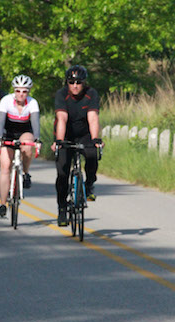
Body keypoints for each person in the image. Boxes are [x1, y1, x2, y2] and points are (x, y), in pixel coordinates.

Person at [52, 65, 103, 227]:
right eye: (71, 82)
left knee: (92, 154)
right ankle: (62, 208)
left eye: (78, 82)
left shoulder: (91, 94)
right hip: (65, 134)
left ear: (84, 83)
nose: (75, 85)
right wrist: (59, 141)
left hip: (84, 134)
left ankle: (89, 184)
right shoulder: (61, 94)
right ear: (67, 83)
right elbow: (62, 118)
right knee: (62, 173)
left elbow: (93, 117)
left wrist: (95, 139)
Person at [0, 74, 41, 218]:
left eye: (24, 91)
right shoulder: (6, 101)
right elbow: (0, 123)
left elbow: (35, 124)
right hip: (8, 133)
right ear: (14, 91)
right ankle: (3, 203)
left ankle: (25, 173)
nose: (21, 94)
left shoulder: (32, 103)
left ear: (28, 92)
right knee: (5, 166)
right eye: (18, 91)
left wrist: (37, 140)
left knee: (27, 146)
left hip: (25, 131)